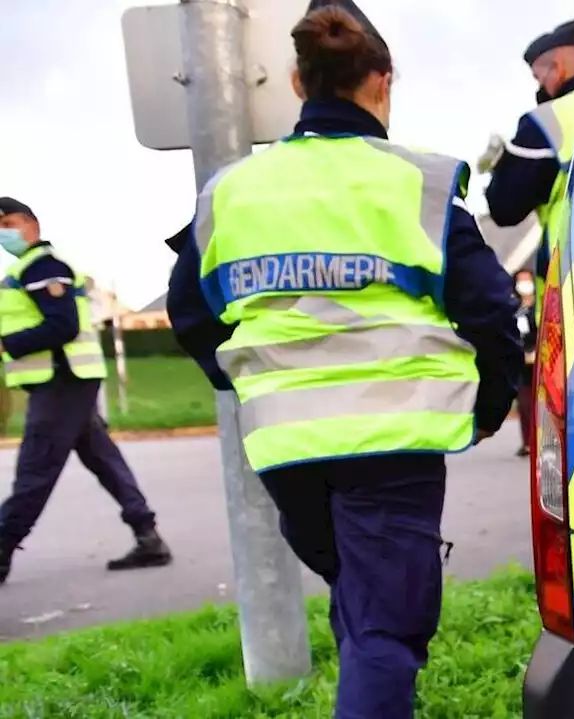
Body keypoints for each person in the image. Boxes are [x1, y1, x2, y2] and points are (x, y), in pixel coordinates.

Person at [166, 2, 522, 716]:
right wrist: (486, 409)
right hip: (393, 441)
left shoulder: (231, 192)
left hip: (286, 446)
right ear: (383, 80)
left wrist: (254, 382)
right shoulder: (416, 185)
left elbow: (191, 314)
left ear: (298, 83)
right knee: (387, 627)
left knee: (363, 605)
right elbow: (491, 312)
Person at [0, 197, 171, 585]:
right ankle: (148, 536)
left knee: (36, 468)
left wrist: (6, 344)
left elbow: (60, 325)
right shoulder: (28, 269)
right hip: (66, 381)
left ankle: (2, 547)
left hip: (62, 381)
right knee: (103, 459)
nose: (4, 232)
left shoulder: (44, 266)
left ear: (32, 225)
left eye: (10, 222)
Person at [478, 18, 574, 321]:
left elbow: (504, 206)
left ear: (558, 66)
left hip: (572, 299)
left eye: (539, 76)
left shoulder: (550, 120)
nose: (540, 86)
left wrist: (502, 162)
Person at [513, 269, 538, 457]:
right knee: (524, 403)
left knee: (539, 402)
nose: (524, 284)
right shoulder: (514, 308)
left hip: (540, 360)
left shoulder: (540, 306)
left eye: (527, 280)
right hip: (521, 360)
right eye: (520, 281)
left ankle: (539, 440)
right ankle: (527, 442)